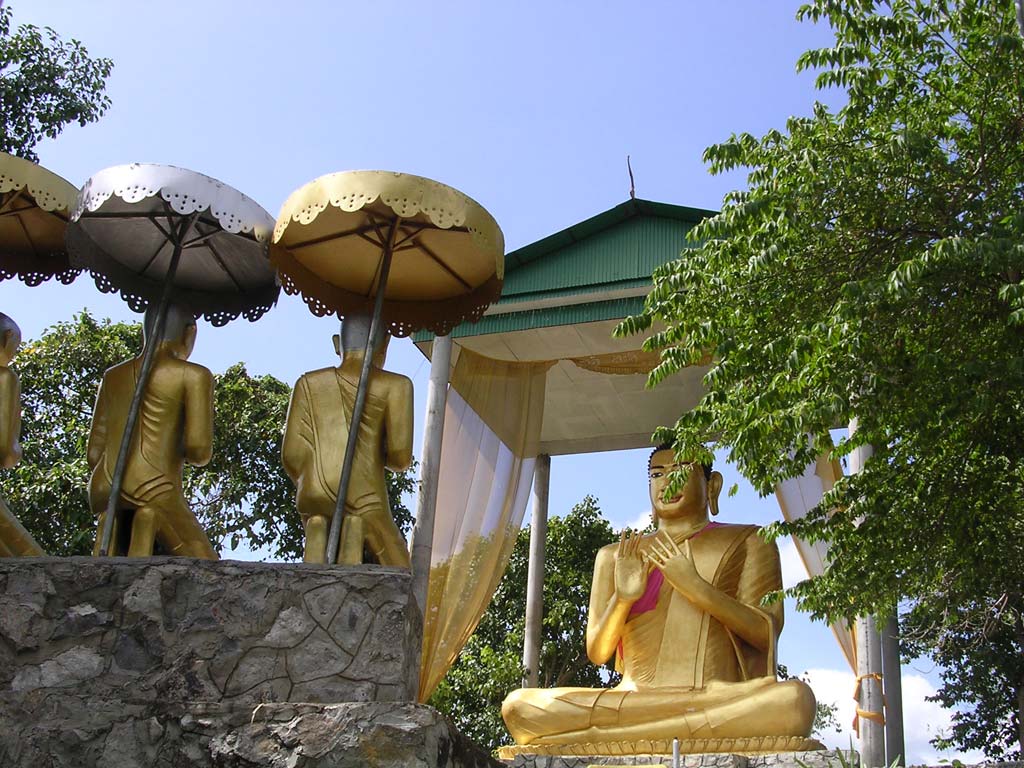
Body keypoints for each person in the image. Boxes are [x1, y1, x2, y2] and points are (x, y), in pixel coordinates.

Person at [501, 445, 817, 752]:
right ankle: (665, 732)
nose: (667, 481)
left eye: (681, 470)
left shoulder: (749, 541)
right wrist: (623, 599)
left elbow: (766, 633)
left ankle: (611, 737)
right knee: (519, 707)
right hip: (632, 700)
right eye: (657, 473)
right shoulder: (615, 556)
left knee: (794, 702)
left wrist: (697, 588)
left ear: (712, 484)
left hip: (713, 696)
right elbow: (598, 651)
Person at [282, 315, 413, 566]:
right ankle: (356, 527)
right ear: (385, 344)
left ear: (336, 344)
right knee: (402, 572)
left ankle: (318, 528)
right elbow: (400, 457)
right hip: (367, 500)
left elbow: (292, 455)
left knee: (320, 517)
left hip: (312, 494)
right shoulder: (396, 385)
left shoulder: (307, 383)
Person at [88, 303, 216, 559]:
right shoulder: (193, 375)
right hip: (156, 487)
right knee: (207, 562)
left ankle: (112, 526)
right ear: (190, 333)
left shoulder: (113, 376)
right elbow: (199, 449)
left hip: (106, 485)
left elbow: (93, 453)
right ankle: (148, 519)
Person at [0, 312, 45, 557]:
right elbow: (5, 451)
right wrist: (17, 450)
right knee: (32, 560)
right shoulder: (5, 378)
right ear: (8, 339)